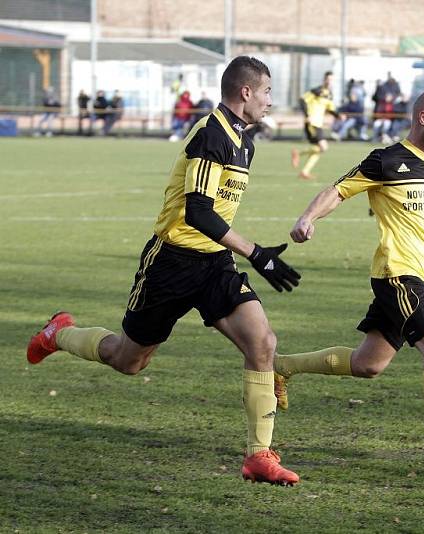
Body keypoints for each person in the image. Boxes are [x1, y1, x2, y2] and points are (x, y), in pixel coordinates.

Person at [26, 56, 303, 486]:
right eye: (266, 91)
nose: (271, 100)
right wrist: (258, 253)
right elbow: (197, 212)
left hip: (214, 265)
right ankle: (57, 333)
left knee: (262, 343)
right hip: (170, 263)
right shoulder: (212, 135)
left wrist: (243, 255)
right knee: (128, 360)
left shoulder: (244, 140)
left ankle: (258, 456)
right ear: (245, 92)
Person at [275, 89, 424, 472]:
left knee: (368, 364)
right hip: (397, 274)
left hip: (418, 278)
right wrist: (308, 217)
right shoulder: (386, 160)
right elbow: (339, 190)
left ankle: (281, 367)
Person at [291, 71, 342, 180]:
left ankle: (304, 171)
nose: (330, 81)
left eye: (332, 80)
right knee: (323, 147)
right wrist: (307, 115)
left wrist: (338, 116)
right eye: (328, 79)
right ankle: (299, 154)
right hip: (311, 122)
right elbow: (302, 100)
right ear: (324, 80)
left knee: (319, 149)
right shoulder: (316, 91)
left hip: (318, 124)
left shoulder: (329, 94)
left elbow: (330, 108)